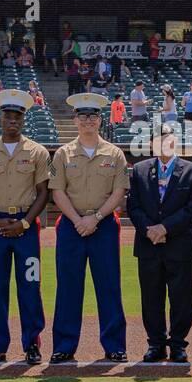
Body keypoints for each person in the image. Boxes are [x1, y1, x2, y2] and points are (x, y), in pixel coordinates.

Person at [0, 90, 52, 365]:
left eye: (17, 116)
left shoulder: (37, 152)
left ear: (23, 120)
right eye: (8, 116)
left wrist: (25, 222)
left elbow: (43, 193)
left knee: (30, 285)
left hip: (27, 227)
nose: (12, 121)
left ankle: (32, 344)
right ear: (1, 118)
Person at [47, 93, 131, 363]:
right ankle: (64, 346)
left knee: (108, 287)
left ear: (100, 120)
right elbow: (57, 192)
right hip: (72, 226)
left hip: (104, 225)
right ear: (75, 120)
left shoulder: (114, 153)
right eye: (82, 116)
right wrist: (77, 220)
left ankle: (115, 345)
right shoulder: (63, 153)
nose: (88, 121)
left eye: (93, 116)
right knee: (69, 288)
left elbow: (119, 191)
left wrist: (95, 217)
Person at [126, 124, 192, 362]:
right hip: (148, 243)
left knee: (181, 298)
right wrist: (149, 229)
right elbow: (134, 206)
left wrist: (165, 228)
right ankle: (156, 344)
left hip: (179, 244)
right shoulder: (139, 171)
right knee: (151, 297)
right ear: (152, 144)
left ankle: (178, 344)